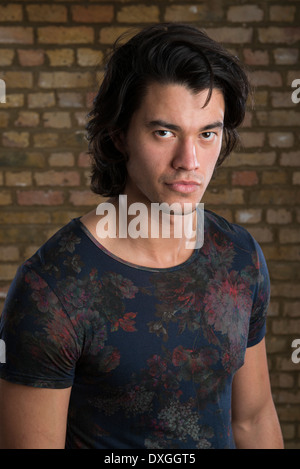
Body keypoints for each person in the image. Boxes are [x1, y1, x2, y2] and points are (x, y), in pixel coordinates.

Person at [0, 23, 283, 449]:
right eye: (164, 132)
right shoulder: (53, 288)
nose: (189, 161)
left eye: (207, 134)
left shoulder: (240, 258)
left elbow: (253, 420)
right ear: (119, 136)